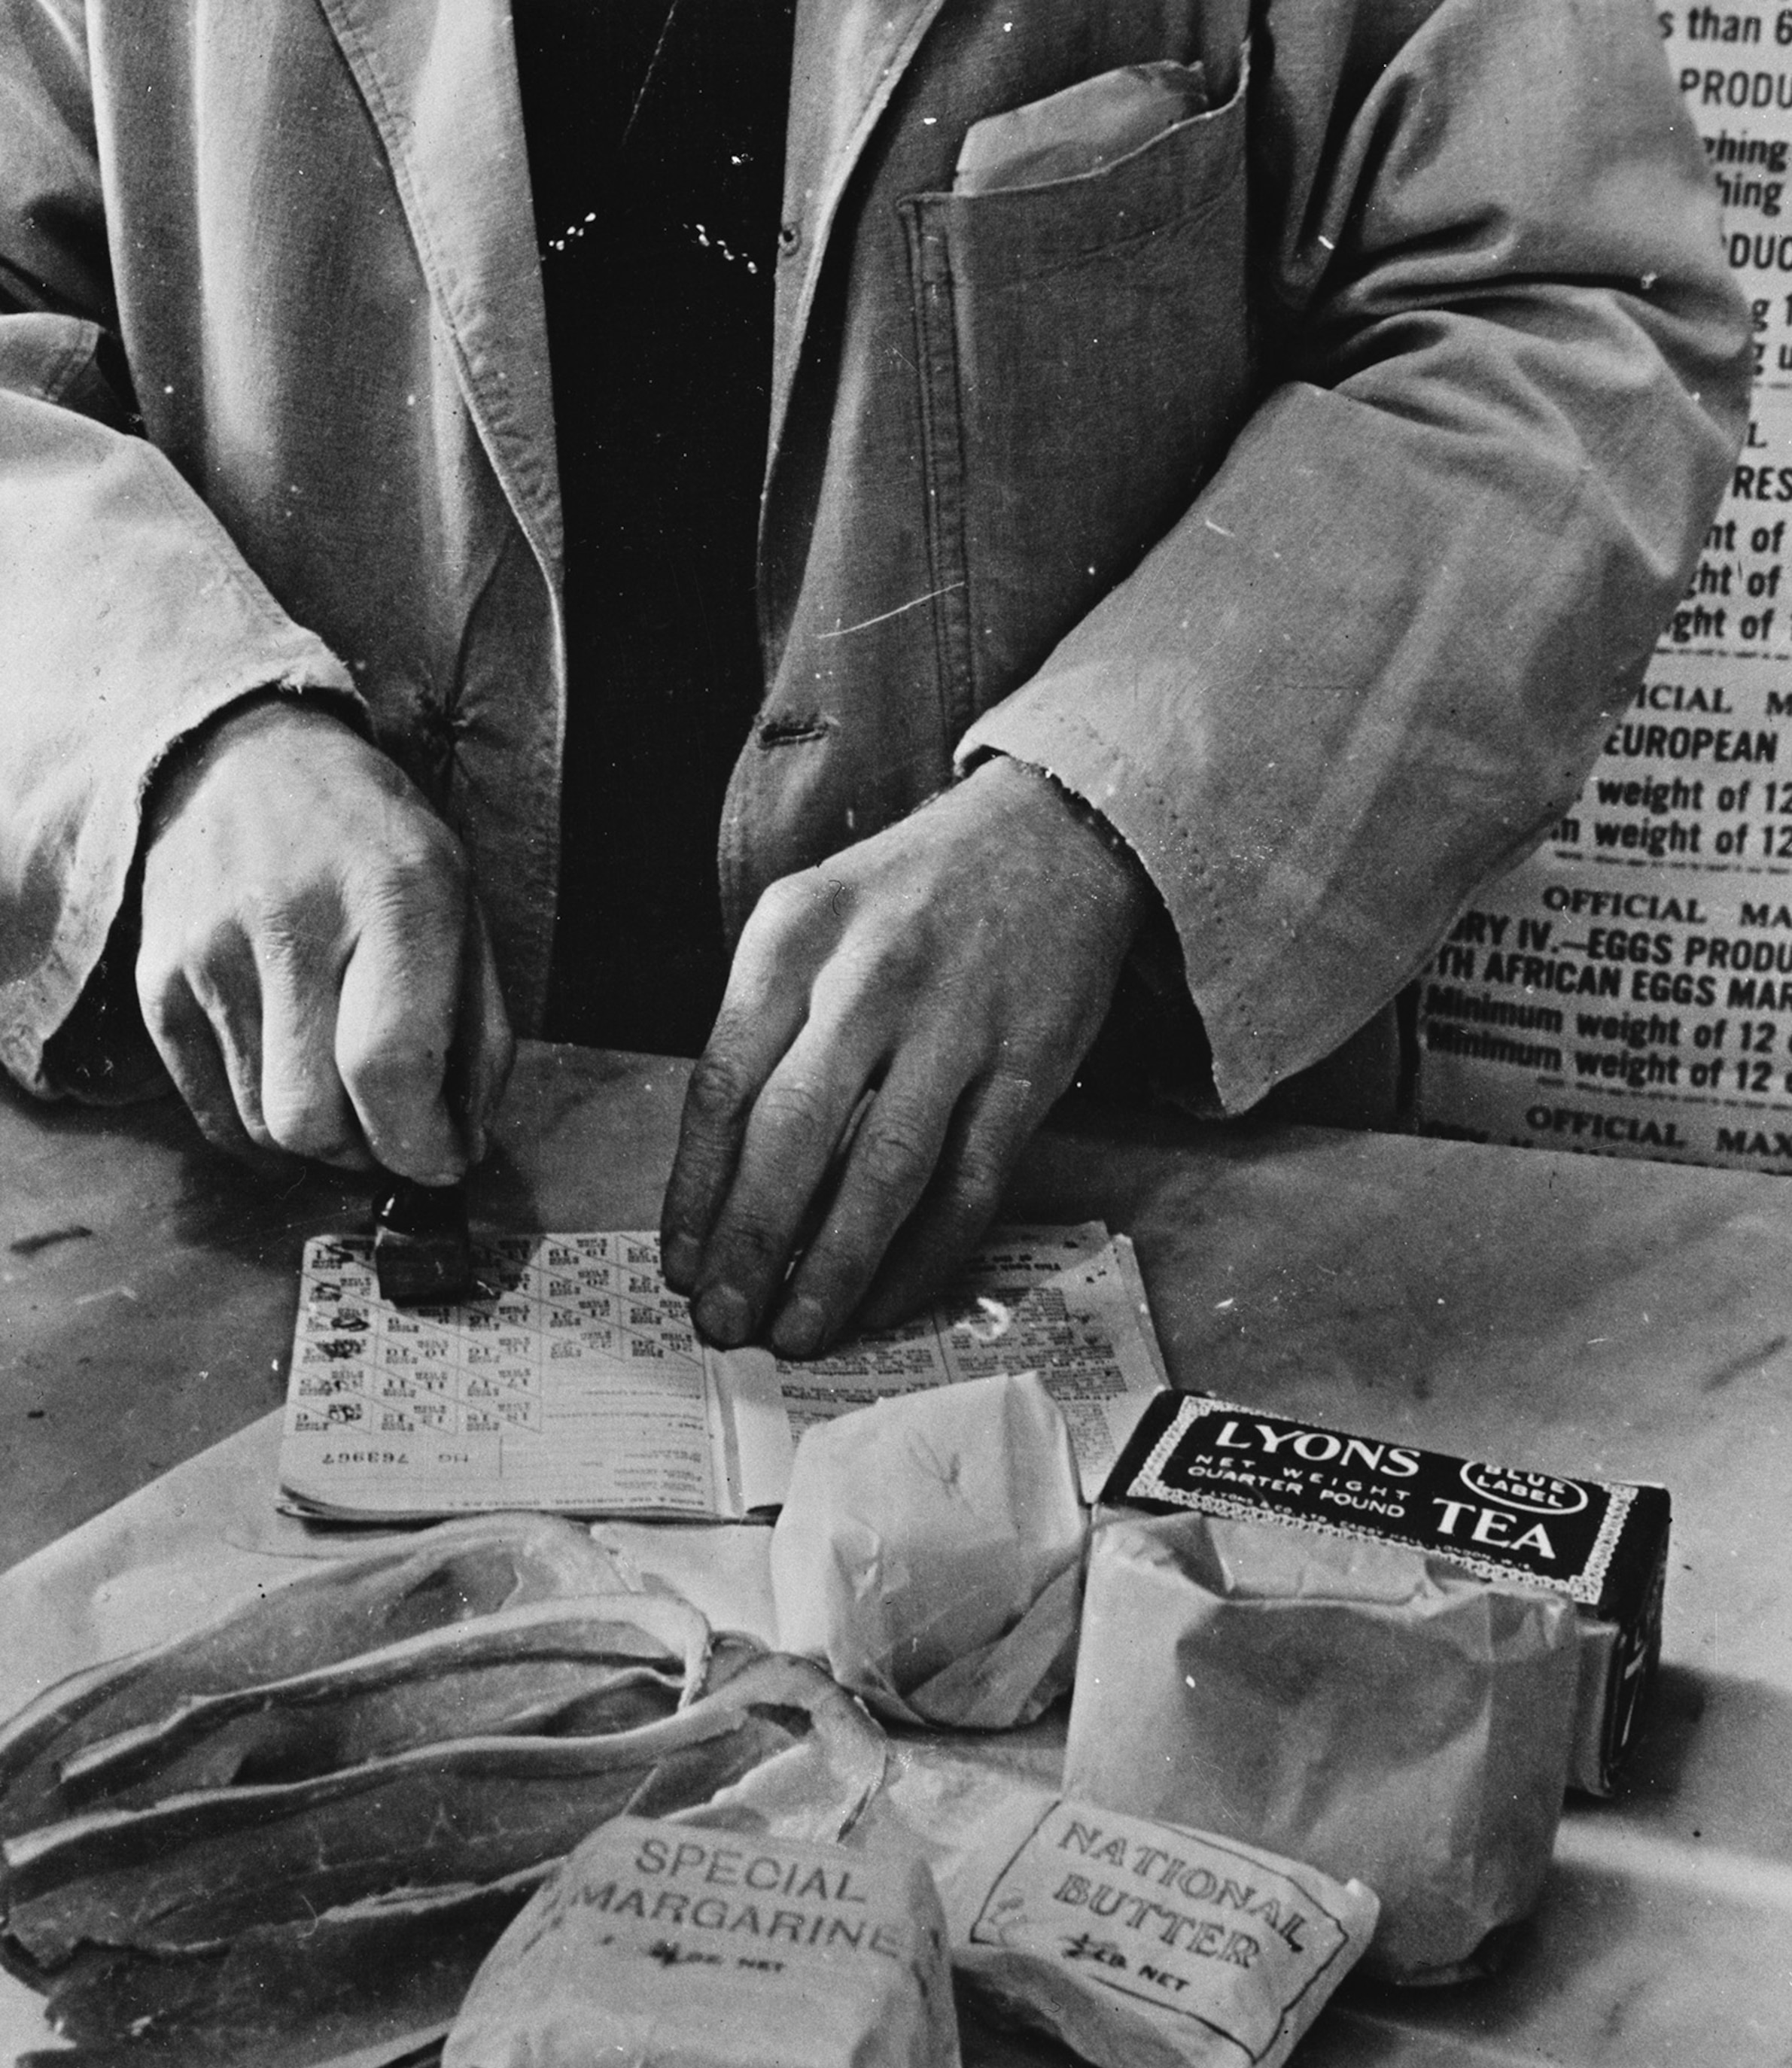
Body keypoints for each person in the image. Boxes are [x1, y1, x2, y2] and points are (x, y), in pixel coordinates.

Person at [0, 0, 1750, 1356]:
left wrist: (1106, 816)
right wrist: (179, 731)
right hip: (277, 1201)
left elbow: (1562, 319)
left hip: (1093, 1187)